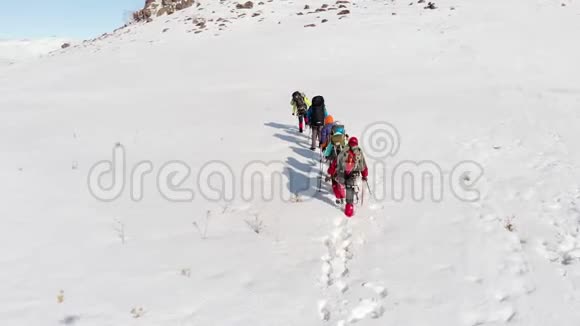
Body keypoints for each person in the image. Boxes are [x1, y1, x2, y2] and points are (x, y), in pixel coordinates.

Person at [328, 137, 368, 218]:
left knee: (337, 180)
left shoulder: (344, 150)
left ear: (349, 142)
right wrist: (364, 175)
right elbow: (363, 165)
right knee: (350, 187)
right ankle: (349, 207)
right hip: (354, 174)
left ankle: (340, 196)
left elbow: (336, 162)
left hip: (342, 173)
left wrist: (331, 171)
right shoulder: (358, 152)